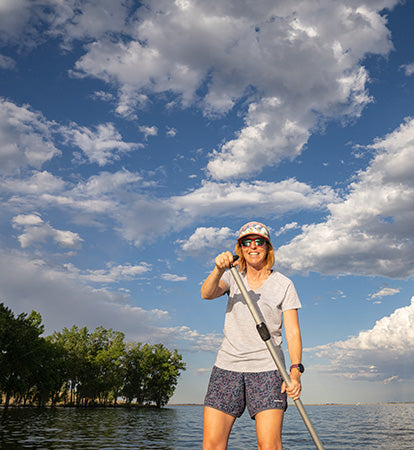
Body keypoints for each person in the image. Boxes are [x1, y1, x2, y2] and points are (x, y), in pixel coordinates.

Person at [200, 221, 304, 450]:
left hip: (268, 369)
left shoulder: (284, 284)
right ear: (240, 249)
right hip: (227, 366)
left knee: (269, 446)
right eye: (246, 242)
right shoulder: (232, 277)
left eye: (259, 241)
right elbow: (206, 294)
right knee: (212, 445)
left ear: (267, 247)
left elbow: (293, 331)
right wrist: (218, 269)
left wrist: (295, 372)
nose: (253, 246)